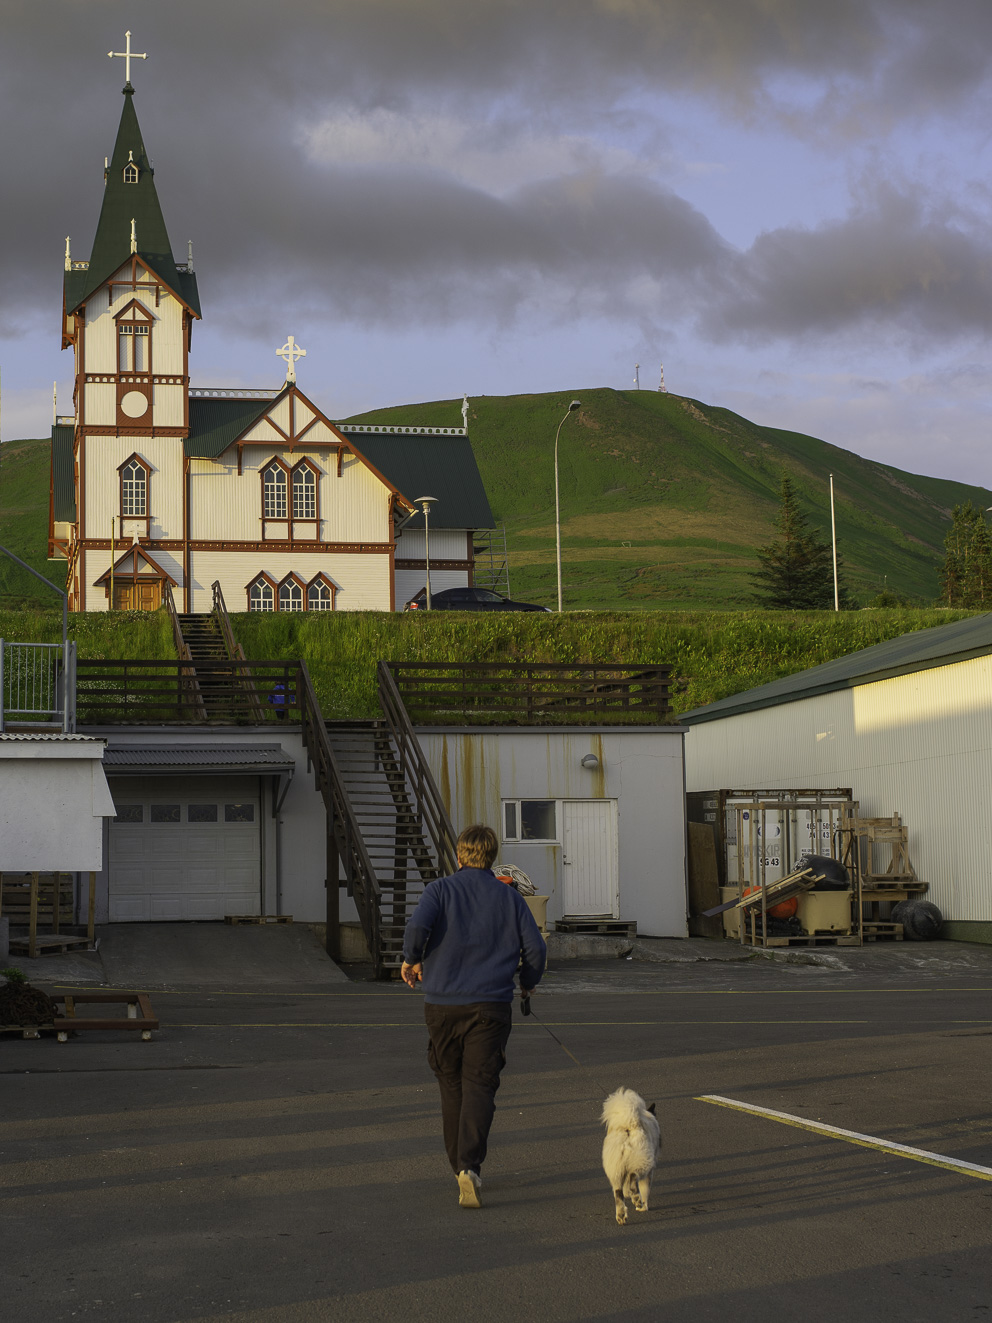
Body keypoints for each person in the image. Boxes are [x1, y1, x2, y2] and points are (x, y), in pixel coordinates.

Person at [401, 823, 546, 1209]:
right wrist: (528, 983)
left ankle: (458, 1167)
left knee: (451, 1085)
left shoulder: (439, 890)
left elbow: (417, 927)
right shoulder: (510, 898)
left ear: (460, 855)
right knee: (480, 1085)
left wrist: (412, 959)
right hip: (490, 1006)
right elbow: (535, 949)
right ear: (492, 856)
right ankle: (470, 1167)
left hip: (442, 1005)